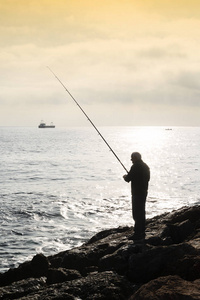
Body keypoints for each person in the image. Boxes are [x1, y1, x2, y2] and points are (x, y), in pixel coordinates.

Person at [123, 152, 150, 240]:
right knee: (141, 211)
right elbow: (147, 178)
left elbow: (128, 179)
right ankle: (142, 230)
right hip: (144, 191)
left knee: (136, 213)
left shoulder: (135, 166)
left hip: (136, 192)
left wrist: (125, 176)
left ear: (135, 158)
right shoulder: (145, 166)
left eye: (132, 158)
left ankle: (137, 233)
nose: (131, 160)